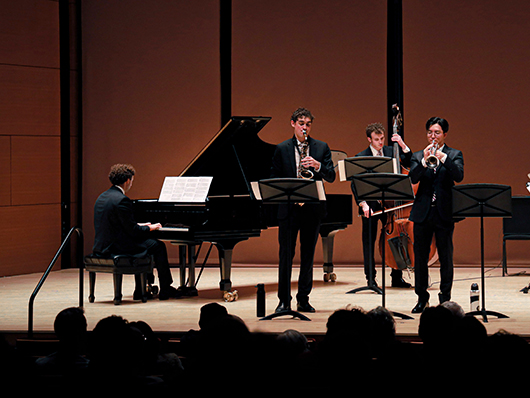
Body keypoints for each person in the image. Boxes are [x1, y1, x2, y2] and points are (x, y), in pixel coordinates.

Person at [270, 107, 336, 313]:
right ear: (293, 124)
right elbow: (273, 178)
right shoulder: (281, 149)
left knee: (308, 255)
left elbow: (331, 176)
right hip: (289, 209)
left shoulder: (321, 147)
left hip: (312, 209)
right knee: (285, 256)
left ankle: (303, 299)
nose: (304, 127)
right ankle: (283, 301)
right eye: (301, 123)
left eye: (308, 124)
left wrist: (317, 166)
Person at [93, 163, 180, 300]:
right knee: (158, 246)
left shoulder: (102, 197)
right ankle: (165, 288)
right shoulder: (122, 200)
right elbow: (133, 231)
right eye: (132, 180)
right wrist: (150, 227)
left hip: (103, 245)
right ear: (128, 180)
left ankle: (141, 288)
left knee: (149, 243)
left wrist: (140, 224)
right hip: (119, 247)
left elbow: (119, 223)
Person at [409, 117, 464, 313]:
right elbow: (412, 177)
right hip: (423, 213)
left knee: (446, 258)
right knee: (420, 258)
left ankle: (445, 299)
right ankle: (422, 299)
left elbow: (458, 176)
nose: (433, 136)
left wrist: (444, 159)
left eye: (437, 133)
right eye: (430, 133)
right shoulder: (418, 156)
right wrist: (424, 161)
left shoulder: (454, 154)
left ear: (445, 135)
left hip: (444, 213)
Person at [351, 122, 412, 288]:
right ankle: (370, 279)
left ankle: (396, 276)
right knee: (368, 241)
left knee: (396, 237)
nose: (380, 142)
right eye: (376, 139)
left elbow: (410, 161)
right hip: (370, 205)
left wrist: (402, 144)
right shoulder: (360, 157)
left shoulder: (393, 152)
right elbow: (355, 185)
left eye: (382, 138)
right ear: (369, 139)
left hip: (391, 204)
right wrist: (363, 204)